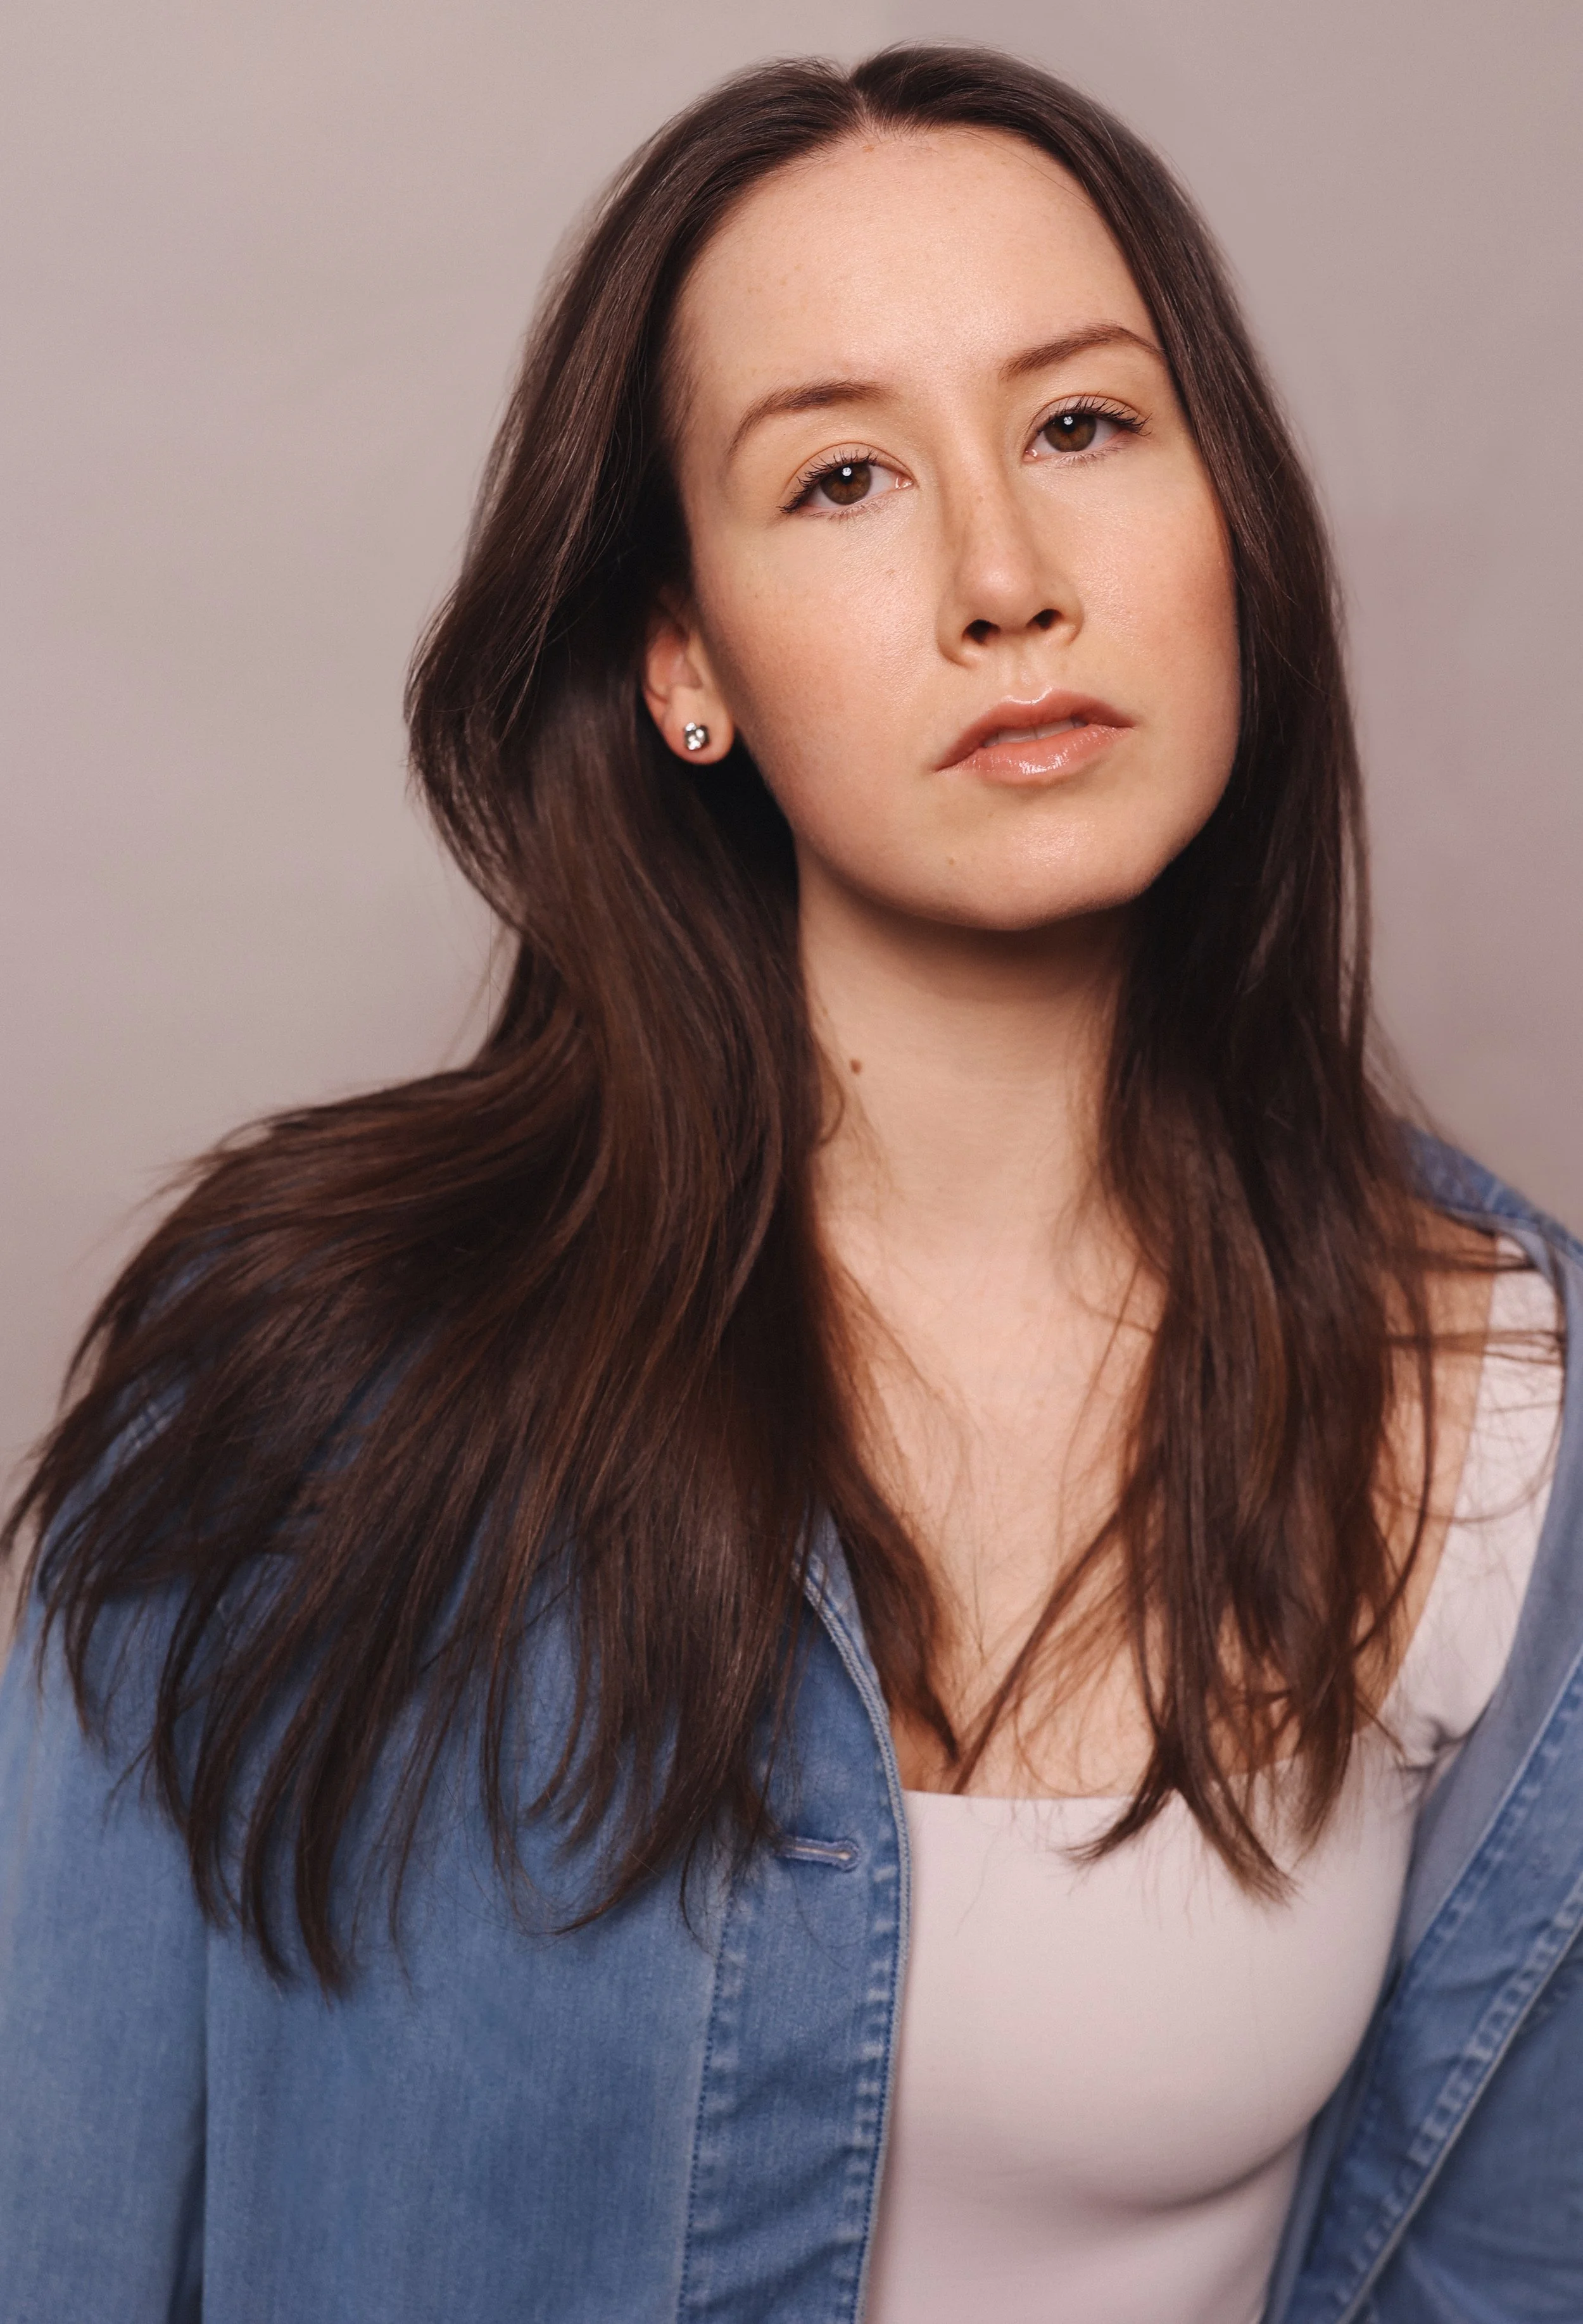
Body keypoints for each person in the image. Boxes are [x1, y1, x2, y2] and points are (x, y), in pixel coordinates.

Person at [1, 41, 1579, 2324]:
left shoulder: (1508, 1409)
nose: (1004, 578)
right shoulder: (297, 1383)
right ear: (684, 662)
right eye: (842, 477)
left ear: (1228, 520)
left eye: (1081, 426)